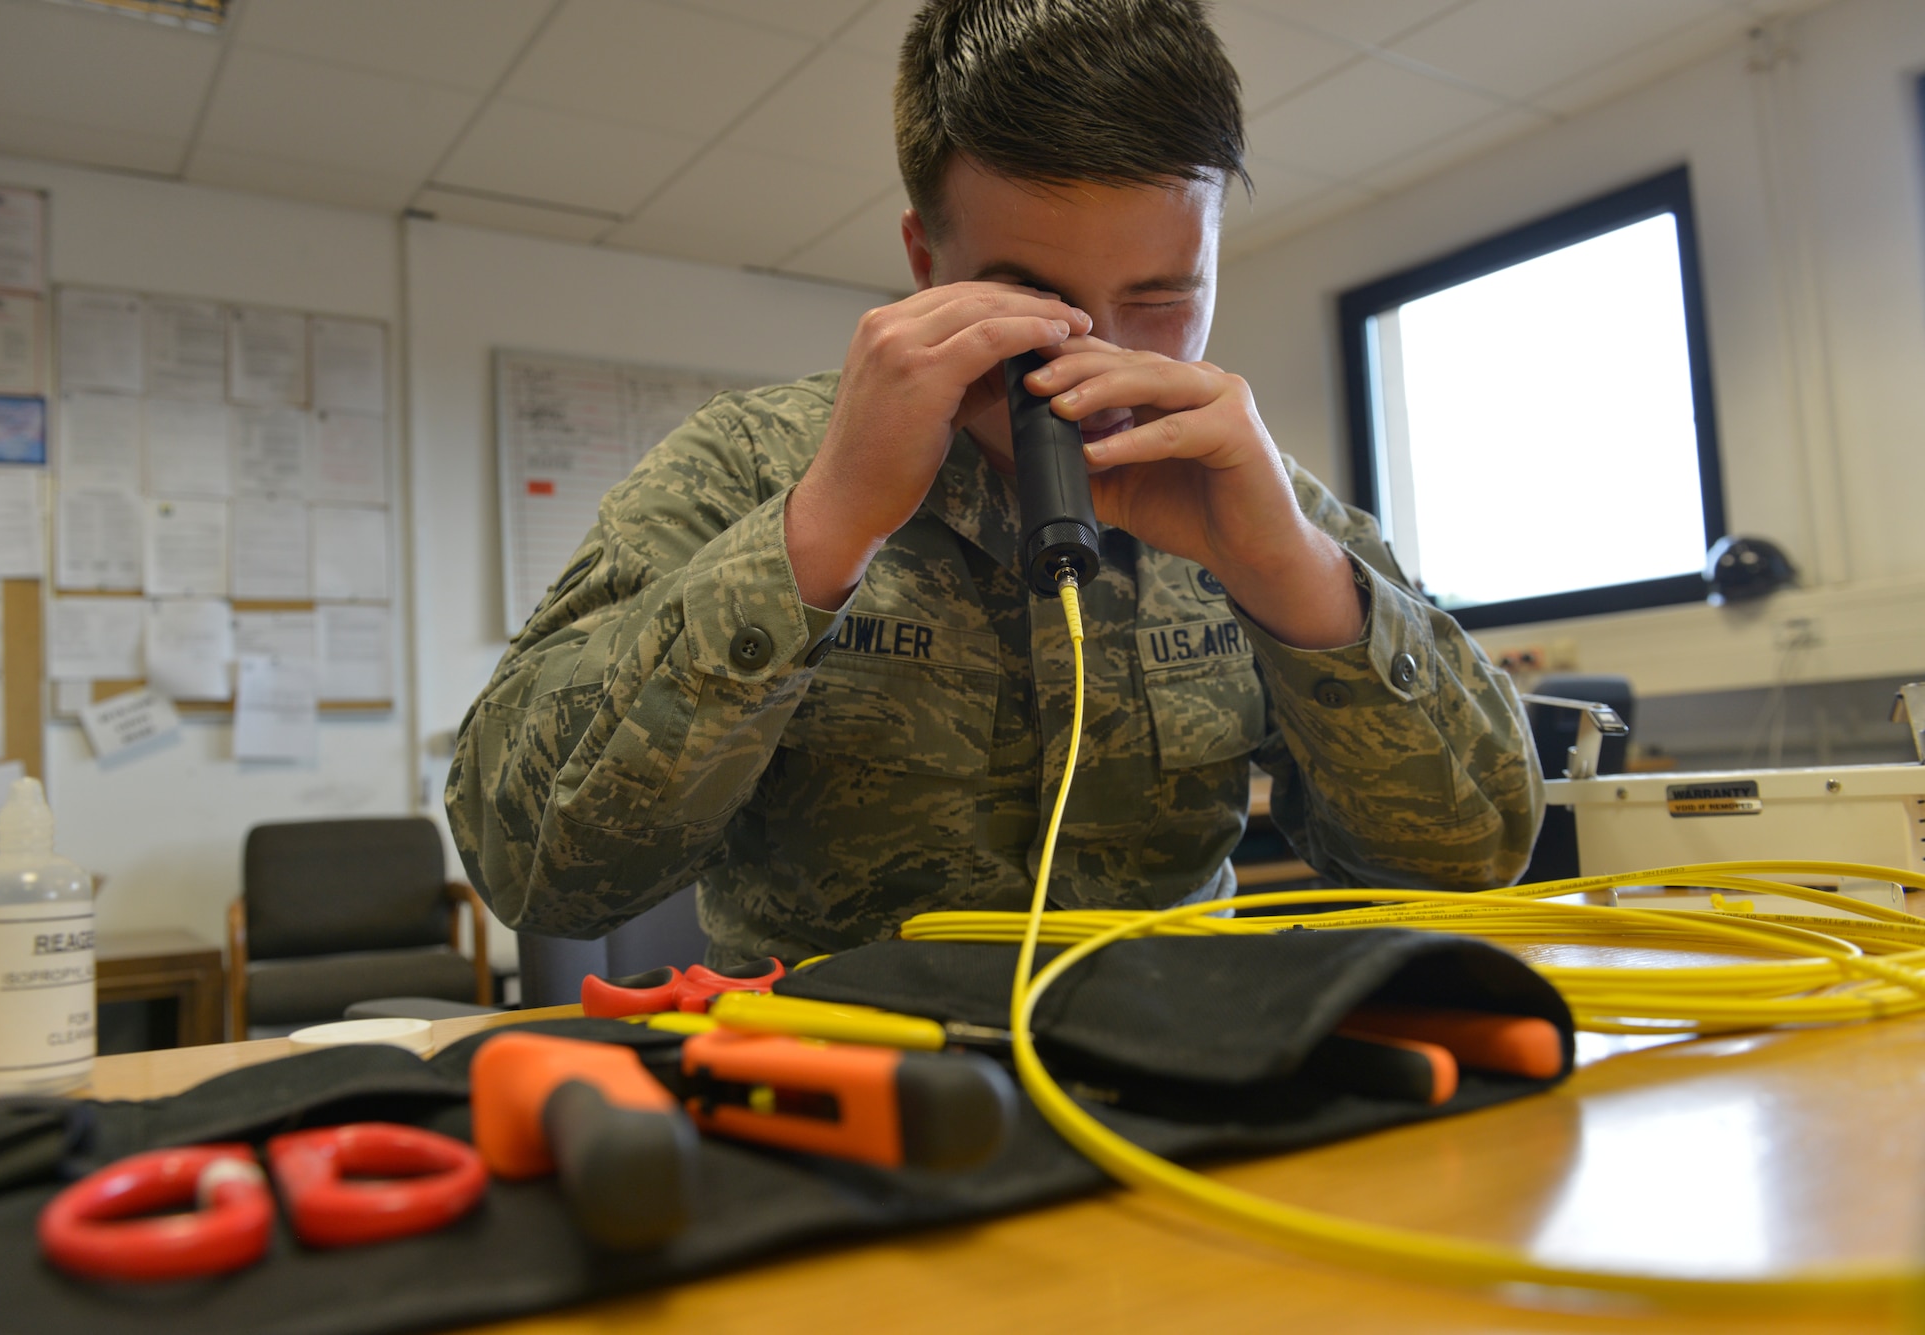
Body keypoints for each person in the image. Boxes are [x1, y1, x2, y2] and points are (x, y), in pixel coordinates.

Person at [447, 0, 1543, 966]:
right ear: (926, 263)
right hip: (844, 1105)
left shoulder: (1248, 492)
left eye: (1161, 299)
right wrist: (822, 530)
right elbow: (530, 865)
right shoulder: (747, 466)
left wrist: (1289, 580)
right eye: (1030, 294)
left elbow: (1474, 855)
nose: (1094, 355)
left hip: (1187, 1088)